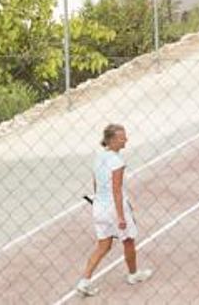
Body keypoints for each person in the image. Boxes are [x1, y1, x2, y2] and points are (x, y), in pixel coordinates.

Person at [76, 124, 152, 297]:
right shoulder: (117, 162)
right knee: (129, 240)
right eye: (121, 138)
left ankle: (84, 280)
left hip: (99, 206)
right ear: (110, 140)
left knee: (103, 245)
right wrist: (121, 217)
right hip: (114, 207)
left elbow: (95, 181)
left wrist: (97, 200)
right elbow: (116, 190)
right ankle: (133, 275)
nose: (125, 140)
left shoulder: (98, 156)